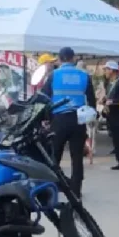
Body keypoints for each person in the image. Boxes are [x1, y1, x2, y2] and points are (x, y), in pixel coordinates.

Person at [50, 47, 96, 197]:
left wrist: (46, 118)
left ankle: (53, 187)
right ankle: (76, 191)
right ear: (73, 58)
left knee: (54, 156)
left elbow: (44, 97)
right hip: (79, 119)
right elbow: (92, 100)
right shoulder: (84, 75)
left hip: (59, 120)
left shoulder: (53, 75)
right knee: (77, 157)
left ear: (60, 58)